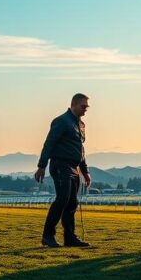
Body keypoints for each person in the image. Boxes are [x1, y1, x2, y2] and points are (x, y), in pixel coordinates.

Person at [34, 93, 92, 247]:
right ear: (74, 104)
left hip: (74, 167)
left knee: (72, 202)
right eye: (83, 106)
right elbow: (49, 143)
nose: (86, 109)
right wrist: (41, 166)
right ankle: (48, 235)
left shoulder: (81, 125)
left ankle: (69, 237)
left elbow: (81, 149)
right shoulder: (61, 121)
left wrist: (85, 172)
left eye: (87, 106)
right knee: (62, 199)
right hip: (60, 165)